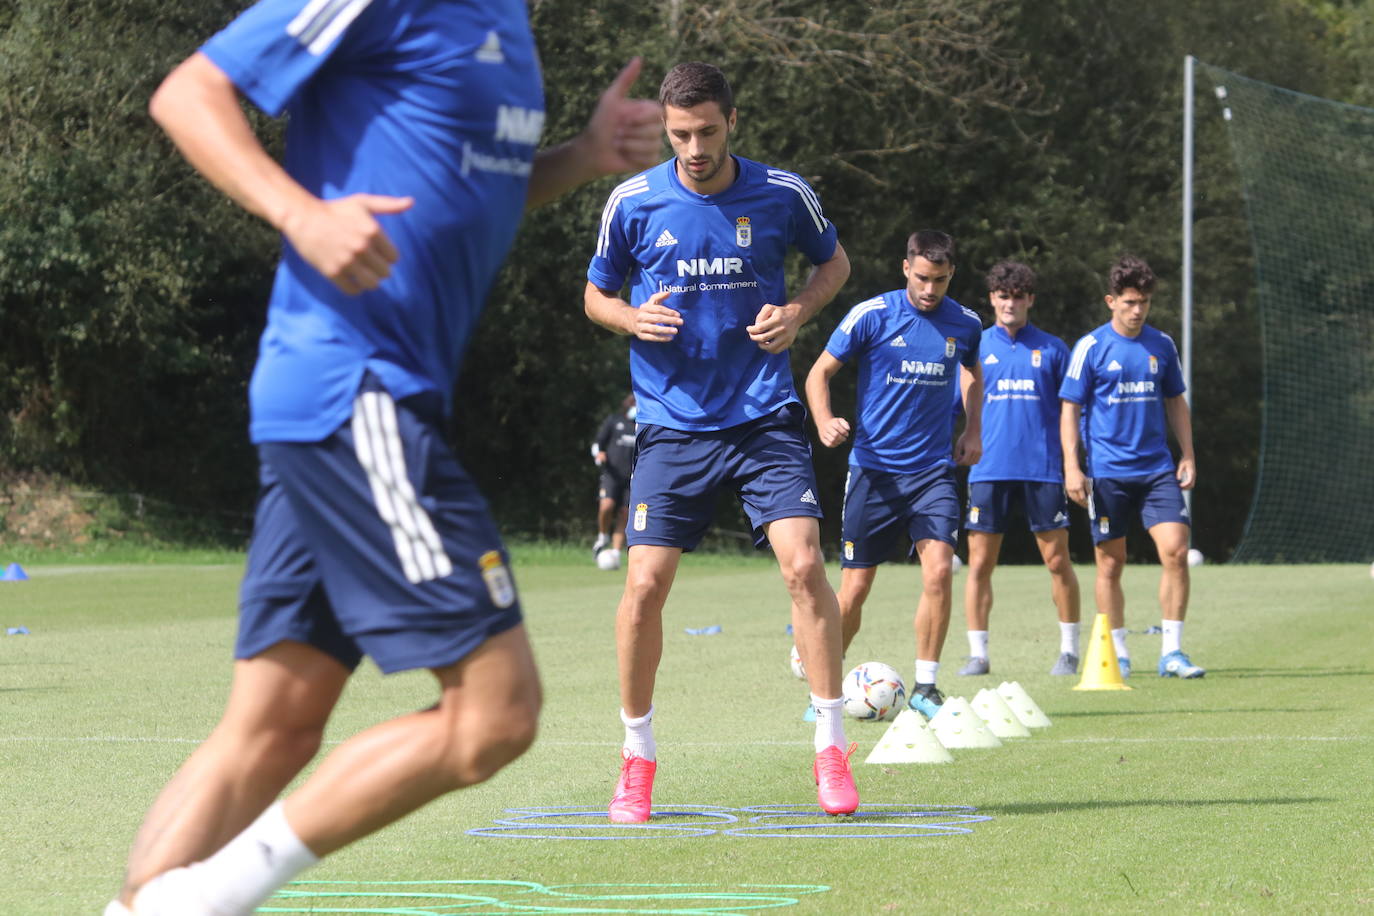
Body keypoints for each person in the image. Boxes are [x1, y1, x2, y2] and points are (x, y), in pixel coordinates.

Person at [107, 2, 663, 913]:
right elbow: (189, 93)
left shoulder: (509, 27)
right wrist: (302, 214)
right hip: (356, 393)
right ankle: (197, 901)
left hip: (347, 404)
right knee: (495, 714)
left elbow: (470, 190)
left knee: (273, 727)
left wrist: (585, 157)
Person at [584, 61, 858, 823]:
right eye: (679, 135)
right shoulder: (633, 202)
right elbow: (594, 293)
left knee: (805, 567)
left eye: (706, 131)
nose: (694, 147)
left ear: (731, 120)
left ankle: (830, 748)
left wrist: (799, 309)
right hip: (671, 423)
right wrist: (629, 319)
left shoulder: (781, 193)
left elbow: (833, 262)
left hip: (764, 414)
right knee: (643, 589)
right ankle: (636, 758)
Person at [804, 230, 984, 719]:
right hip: (874, 473)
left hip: (933, 473)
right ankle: (823, 691)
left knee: (940, 571)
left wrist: (973, 429)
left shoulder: (965, 323)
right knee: (856, 589)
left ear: (951, 276)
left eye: (941, 280)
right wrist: (824, 421)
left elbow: (972, 372)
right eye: (923, 278)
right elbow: (819, 373)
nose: (930, 289)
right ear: (906, 268)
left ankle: (926, 686)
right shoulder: (872, 315)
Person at [1059, 255, 1203, 679]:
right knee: (1110, 564)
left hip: (1157, 469)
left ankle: (1172, 652)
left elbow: (1176, 400)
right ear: (1111, 301)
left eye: (1144, 302)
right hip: (1108, 473)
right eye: (1129, 302)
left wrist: (1188, 453)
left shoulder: (1162, 346)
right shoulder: (1091, 347)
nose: (1137, 310)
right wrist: (1072, 466)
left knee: (1176, 552)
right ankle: (1117, 653)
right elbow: (1069, 408)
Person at [958, 261, 1082, 677]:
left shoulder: (1052, 349)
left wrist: (1072, 465)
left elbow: (1072, 412)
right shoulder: (975, 347)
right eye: (1002, 295)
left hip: (1043, 469)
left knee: (1057, 561)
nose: (1010, 303)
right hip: (987, 468)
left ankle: (1068, 650)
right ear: (992, 298)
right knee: (978, 564)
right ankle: (979, 654)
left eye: (1017, 296)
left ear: (1030, 299)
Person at [591, 394, 638, 566]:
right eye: (634, 404)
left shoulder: (641, 426)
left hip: (632, 479)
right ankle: (602, 536)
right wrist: (599, 454)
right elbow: (597, 443)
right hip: (611, 474)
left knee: (624, 514)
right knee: (607, 506)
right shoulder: (614, 420)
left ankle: (615, 553)